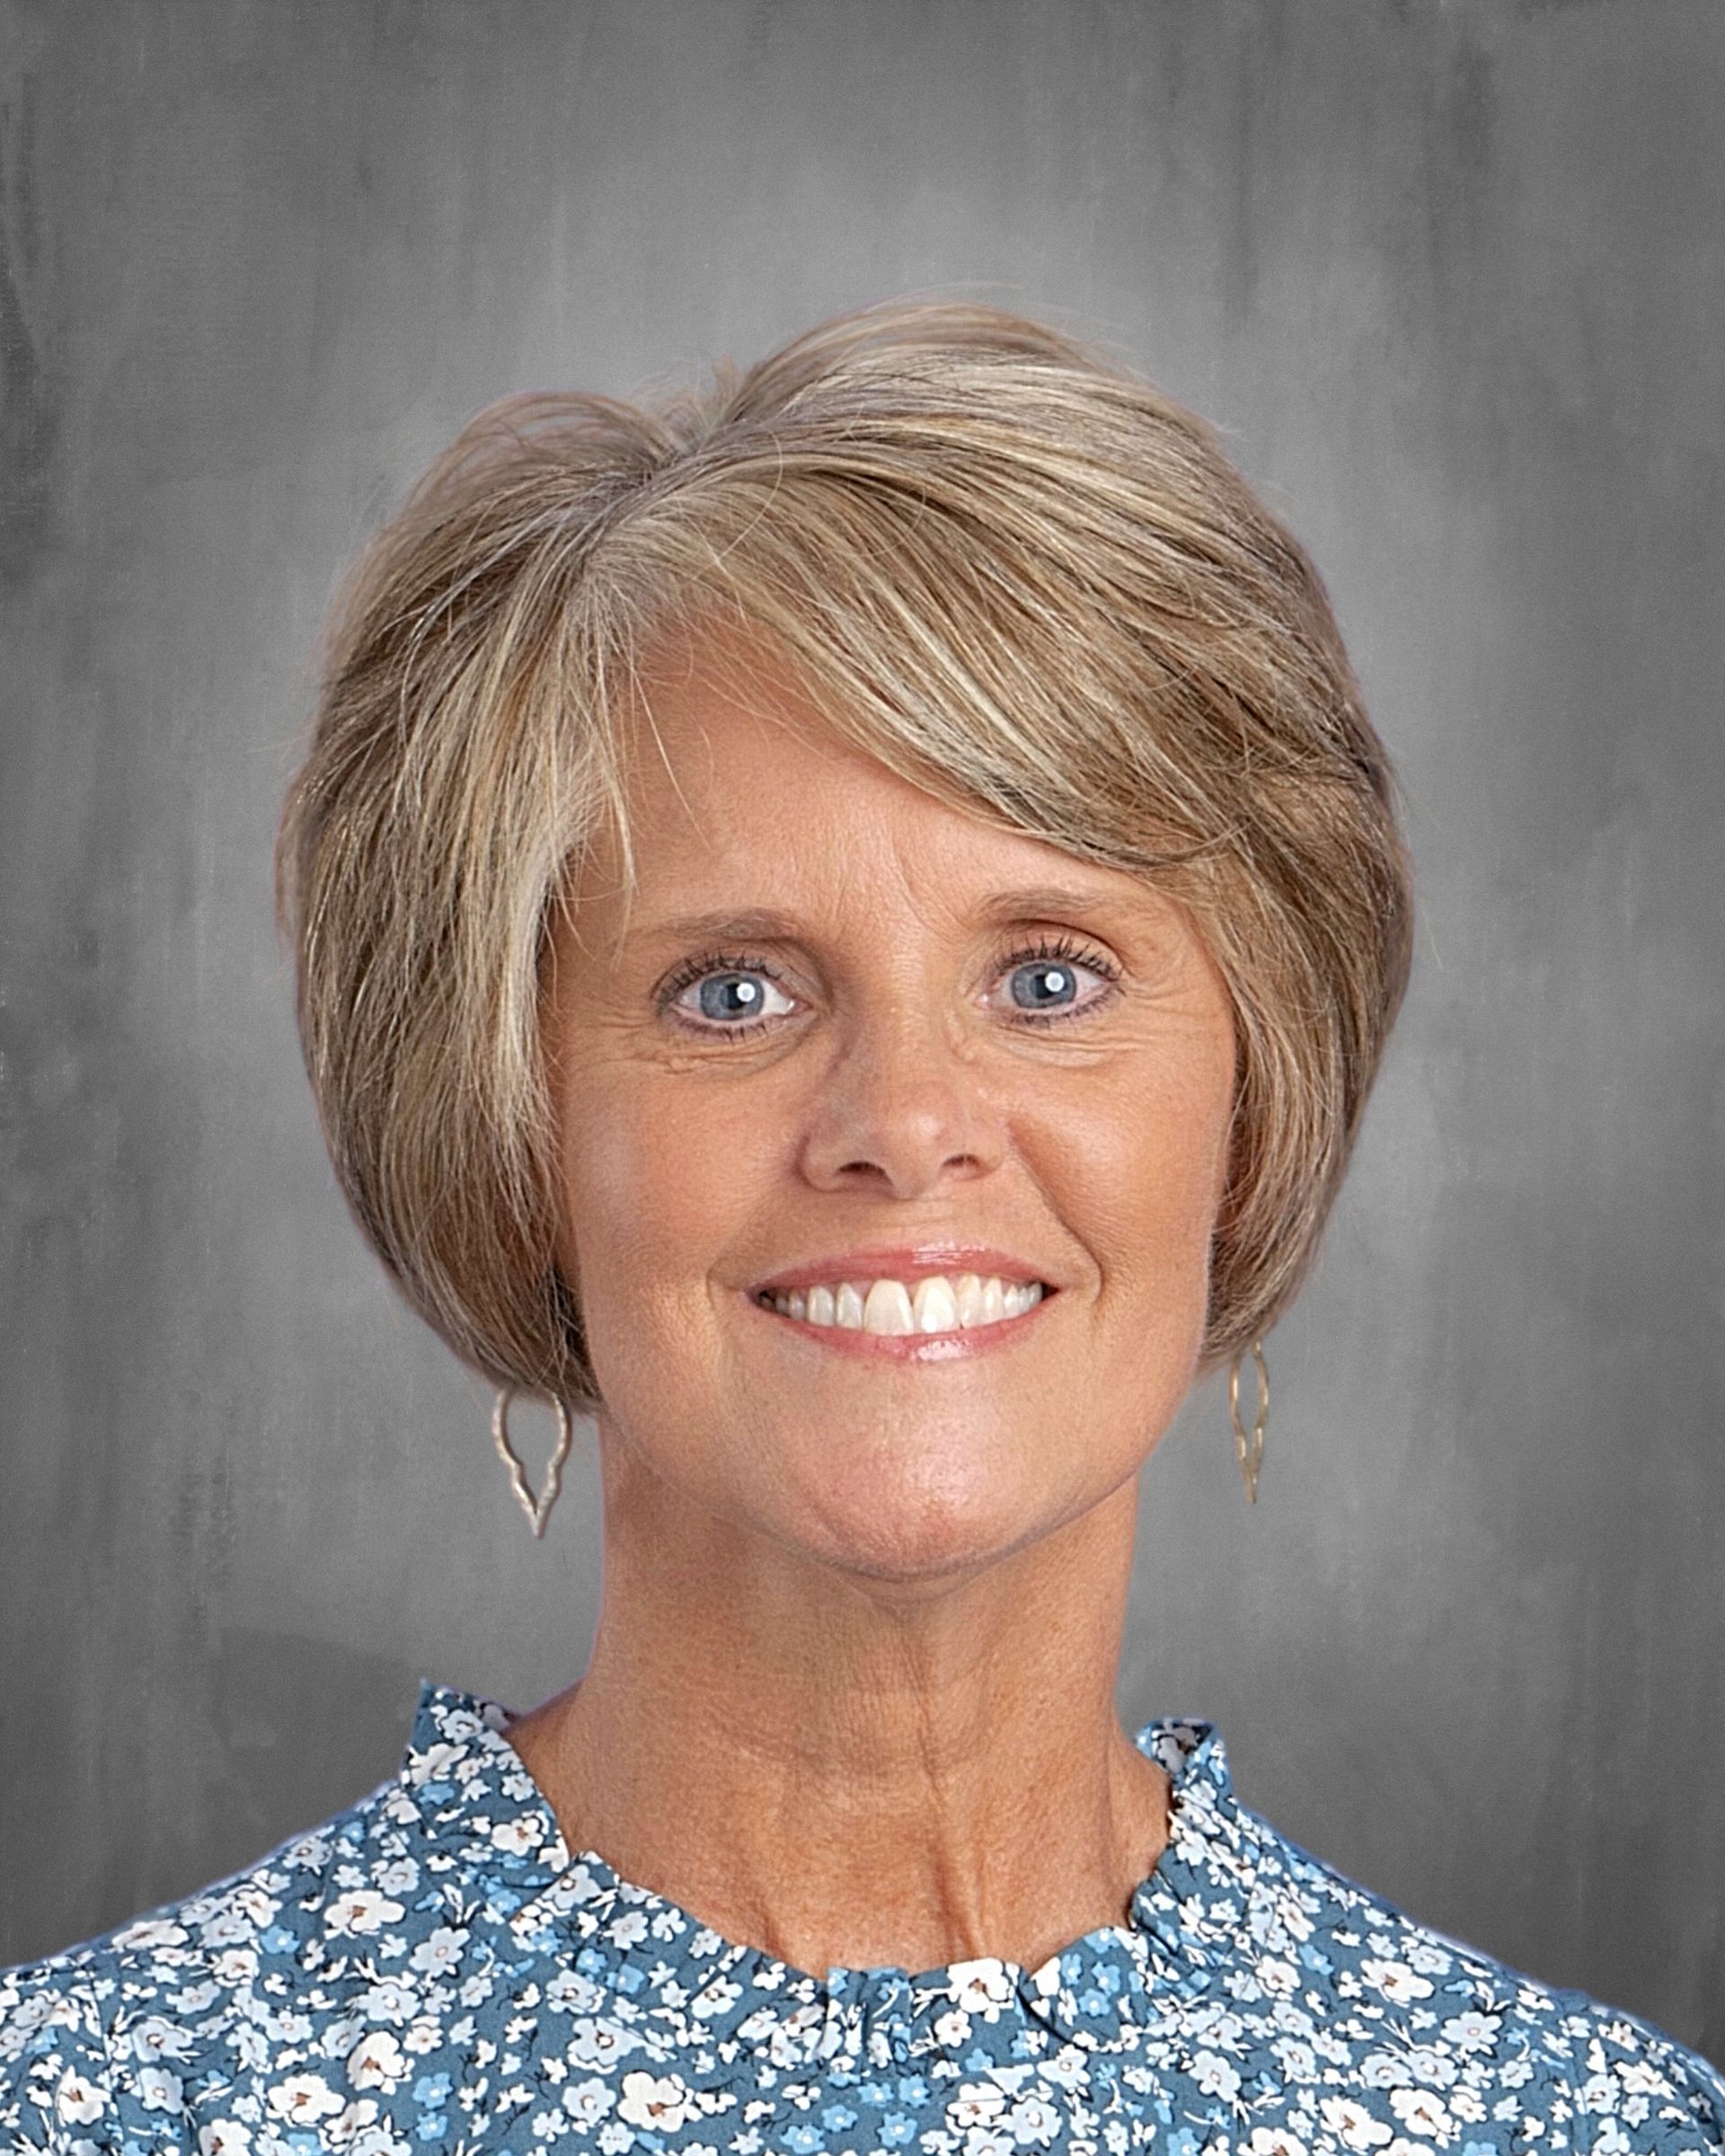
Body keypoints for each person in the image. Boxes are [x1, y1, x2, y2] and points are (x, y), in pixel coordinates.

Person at [2, 303, 1719, 2156]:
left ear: (1251, 1099)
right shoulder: (108, 2107)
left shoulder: (1584, 2127)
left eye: (1050, 976)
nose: (906, 1129)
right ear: (514, 1132)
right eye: (734, 994)